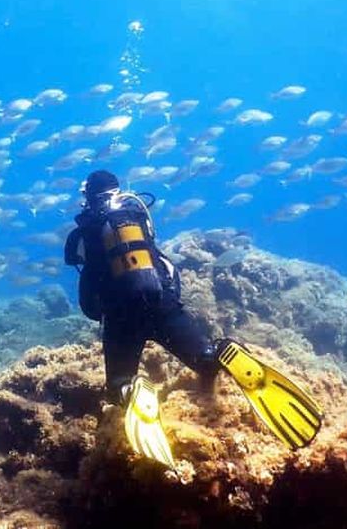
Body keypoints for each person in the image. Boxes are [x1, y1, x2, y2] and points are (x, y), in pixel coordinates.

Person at [64, 169, 323, 466]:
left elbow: (88, 290)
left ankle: (133, 390)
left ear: (88, 196)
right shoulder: (137, 214)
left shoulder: (86, 229)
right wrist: (171, 303)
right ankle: (223, 351)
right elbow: (164, 266)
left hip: (122, 318)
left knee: (117, 385)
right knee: (204, 361)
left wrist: (100, 312)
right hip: (163, 306)